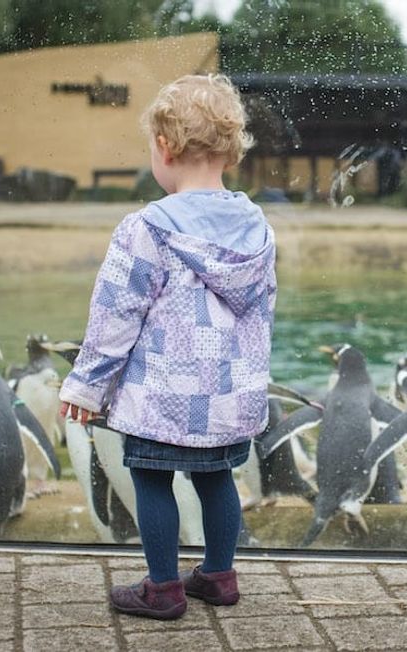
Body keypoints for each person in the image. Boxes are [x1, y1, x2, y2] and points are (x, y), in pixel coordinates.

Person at [59, 73, 276, 620]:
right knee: (217, 479)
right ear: (229, 150)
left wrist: (86, 386)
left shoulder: (147, 228)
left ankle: (162, 588)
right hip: (227, 399)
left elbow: (114, 315)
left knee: (152, 479)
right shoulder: (257, 227)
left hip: (164, 397)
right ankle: (220, 577)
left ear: (164, 147)